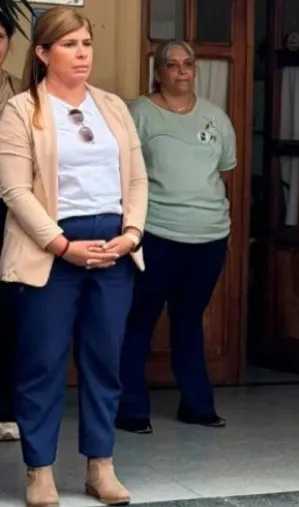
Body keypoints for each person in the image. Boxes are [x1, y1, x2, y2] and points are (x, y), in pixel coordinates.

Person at [0, 7, 147, 506]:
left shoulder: (113, 106)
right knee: (42, 363)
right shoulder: (21, 109)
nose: (82, 53)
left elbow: (137, 178)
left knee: (105, 362)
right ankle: (39, 471)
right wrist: (62, 245)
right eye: (69, 45)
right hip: (51, 251)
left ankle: (100, 467)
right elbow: (15, 191)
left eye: (86, 43)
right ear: (43, 54)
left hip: (113, 249)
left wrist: (132, 234)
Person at [116, 40, 235, 435]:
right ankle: (131, 409)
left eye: (189, 64)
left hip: (209, 237)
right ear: (159, 72)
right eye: (172, 64)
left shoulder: (216, 117)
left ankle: (197, 405)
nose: (182, 71)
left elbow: (224, 171)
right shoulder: (140, 113)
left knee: (188, 319)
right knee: (140, 319)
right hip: (156, 234)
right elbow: (124, 172)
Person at [0, 13, 23, 444]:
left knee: (8, 316)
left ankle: (4, 410)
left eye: (0, 36)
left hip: (11, 213)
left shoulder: (22, 94)